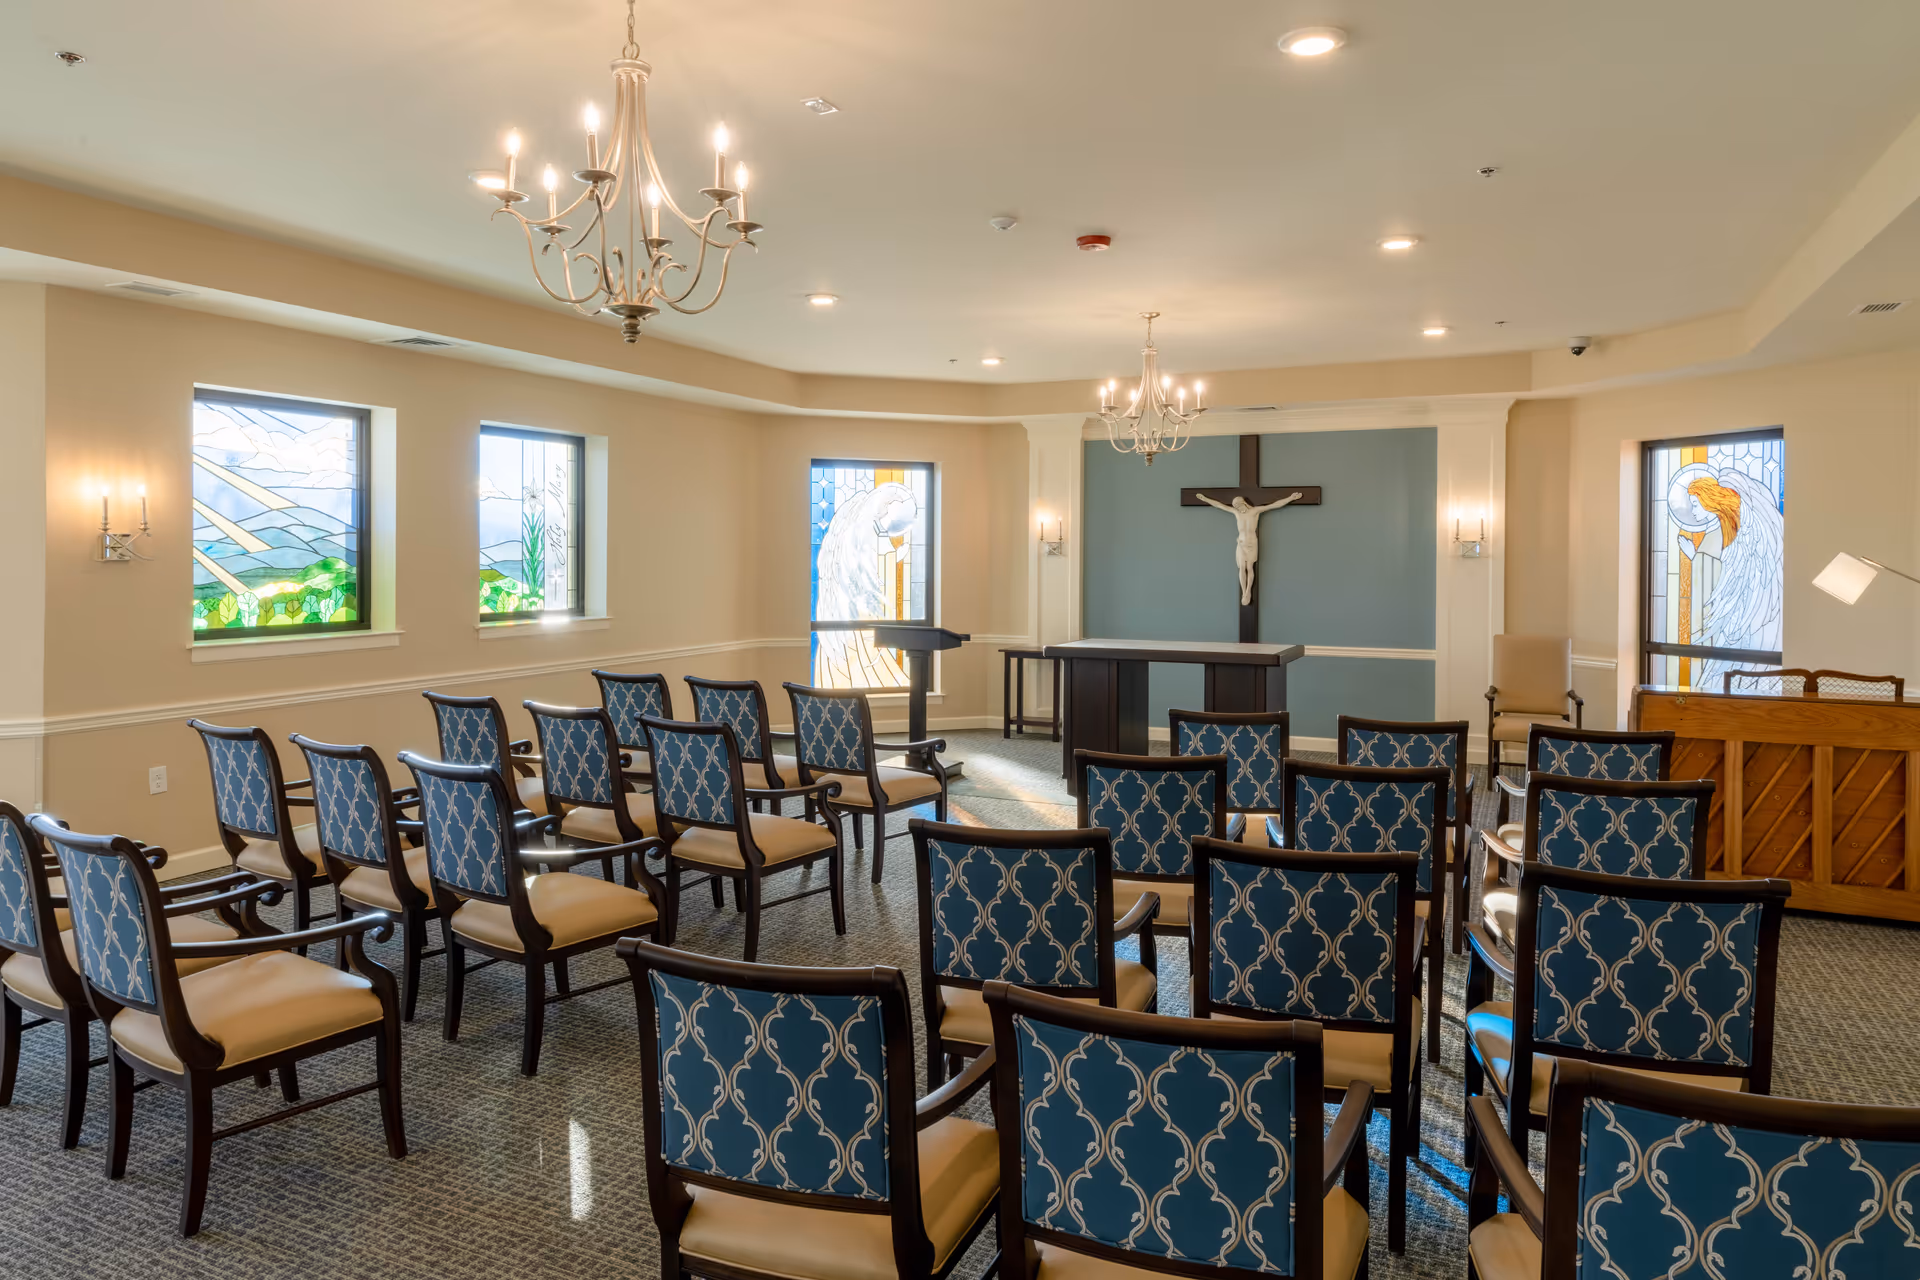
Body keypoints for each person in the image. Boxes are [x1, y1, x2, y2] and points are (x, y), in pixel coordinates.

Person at [1197, 490, 1304, 605]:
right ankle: (1244, 593)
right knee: (1242, 567)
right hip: (1241, 543)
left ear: (1243, 503)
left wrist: (1290, 498)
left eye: (1238, 505)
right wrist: (1205, 499)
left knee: (1249, 567)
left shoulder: (1255, 511)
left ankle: (1249, 591)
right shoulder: (1236, 513)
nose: (1237, 508)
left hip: (1252, 543)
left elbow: (1274, 505)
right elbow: (1220, 505)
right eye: (1235, 506)